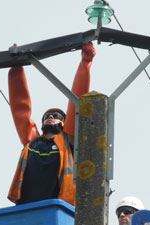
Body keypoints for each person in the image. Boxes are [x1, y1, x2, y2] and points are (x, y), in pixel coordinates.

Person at [7, 42, 96, 206]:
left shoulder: (67, 141)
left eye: (55, 116)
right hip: (28, 207)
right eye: (47, 116)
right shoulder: (32, 142)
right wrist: (16, 67)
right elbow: (20, 108)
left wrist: (85, 62)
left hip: (57, 207)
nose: (50, 117)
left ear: (63, 122)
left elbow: (76, 102)